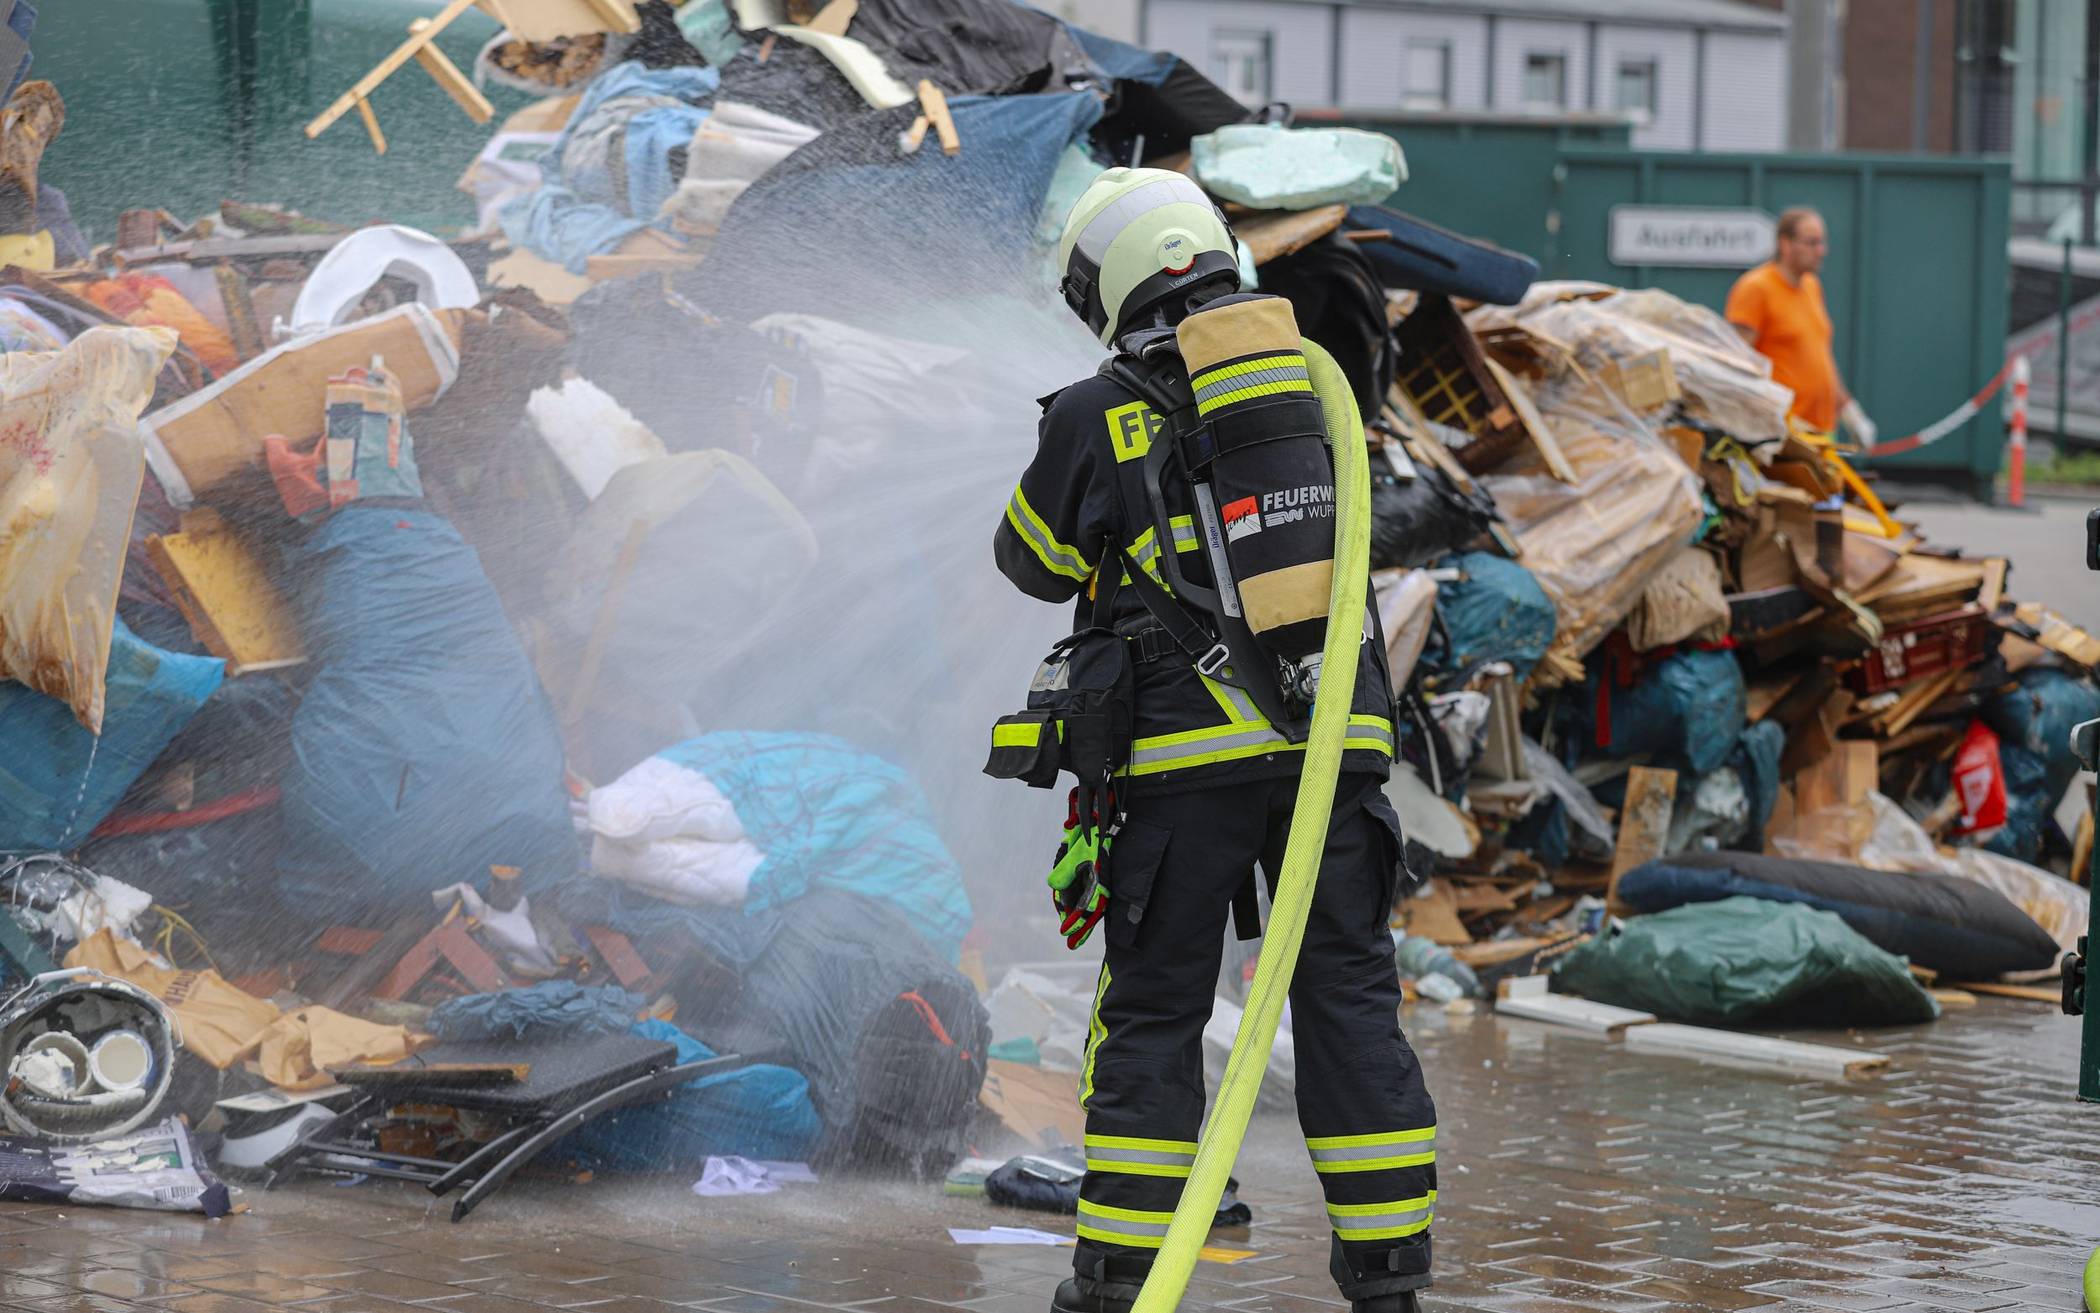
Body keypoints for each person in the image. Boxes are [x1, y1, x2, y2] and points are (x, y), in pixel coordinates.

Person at [991, 167, 1437, 1313]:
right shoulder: (1316, 389)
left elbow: (1031, 562)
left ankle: (1116, 1282)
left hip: (1183, 773)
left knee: (1155, 1013)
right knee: (1348, 1004)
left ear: (1115, 282)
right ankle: (1389, 1284)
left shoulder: (1098, 409)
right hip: (1335, 754)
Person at [1726, 206, 1877, 447]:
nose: (1821, 251)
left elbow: (1820, 357)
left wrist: (1849, 410)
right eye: (1812, 243)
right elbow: (1736, 362)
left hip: (1822, 432)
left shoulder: (1812, 287)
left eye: (1822, 243)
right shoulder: (1756, 289)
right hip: (1784, 436)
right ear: (1785, 244)